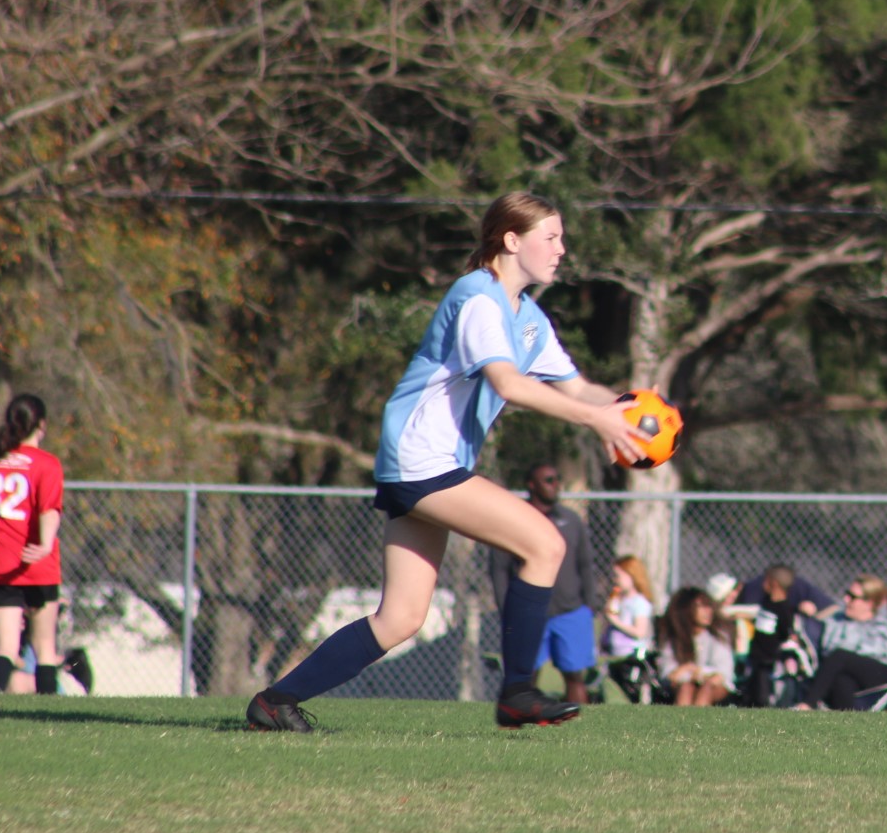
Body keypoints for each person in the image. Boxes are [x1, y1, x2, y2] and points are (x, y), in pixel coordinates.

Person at [245, 192, 649, 732]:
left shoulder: (528, 317)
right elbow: (509, 384)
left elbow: (578, 388)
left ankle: (274, 702)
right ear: (512, 240)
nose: (561, 249)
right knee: (545, 543)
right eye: (551, 237)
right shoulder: (478, 298)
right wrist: (596, 421)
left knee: (401, 617)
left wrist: (628, 410)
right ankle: (518, 692)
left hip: (429, 463)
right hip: (421, 458)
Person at [0, 394, 66, 695]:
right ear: (41, 424)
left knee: (5, 647)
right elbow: (49, 509)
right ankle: (48, 711)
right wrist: (45, 543)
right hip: (37, 562)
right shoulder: (47, 464)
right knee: (44, 645)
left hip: (0, 562)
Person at [488, 463, 595, 706]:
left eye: (557, 479)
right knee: (525, 676)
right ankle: (523, 719)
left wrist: (589, 604)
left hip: (570, 611)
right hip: (528, 612)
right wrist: (507, 608)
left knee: (574, 675)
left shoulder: (570, 520)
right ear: (531, 485)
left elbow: (586, 563)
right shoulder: (514, 521)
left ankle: (581, 722)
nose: (555, 485)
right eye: (548, 480)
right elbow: (499, 569)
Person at [795, 575, 887, 711]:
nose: (846, 600)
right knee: (841, 680)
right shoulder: (838, 621)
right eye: (846, 594)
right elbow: (826, 647)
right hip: (848, 673)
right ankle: (849, 721)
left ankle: (807, 704)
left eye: (852, 597)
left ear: (869, 603)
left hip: (882, 674)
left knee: (840, 656)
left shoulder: (885, 624)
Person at [657, 586, 734, 706]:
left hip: (713, 684)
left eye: (709, 606)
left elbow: (723, 672)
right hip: (683, 683)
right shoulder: (673, 638)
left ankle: (698, 717)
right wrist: (689, 672)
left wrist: (700, 672)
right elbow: (669, 674)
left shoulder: (718, 636)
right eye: (702, 607)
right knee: (686, 688)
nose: (708, 611)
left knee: (706, 689)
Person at [736, 564, 836, 651]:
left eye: (766, 580)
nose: (762, 584)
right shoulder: (766, 602)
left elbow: (785, 634)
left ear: (774, 584)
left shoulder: (785, 610)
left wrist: (813, 614)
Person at [601, 555, 657, 660]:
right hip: (615, 653)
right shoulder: (620, 598)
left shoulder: (639, 602)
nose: (615, 580)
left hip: (631, 655)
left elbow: (640, 632)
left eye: (618, 576)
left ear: (632, 575)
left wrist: (615, 621)